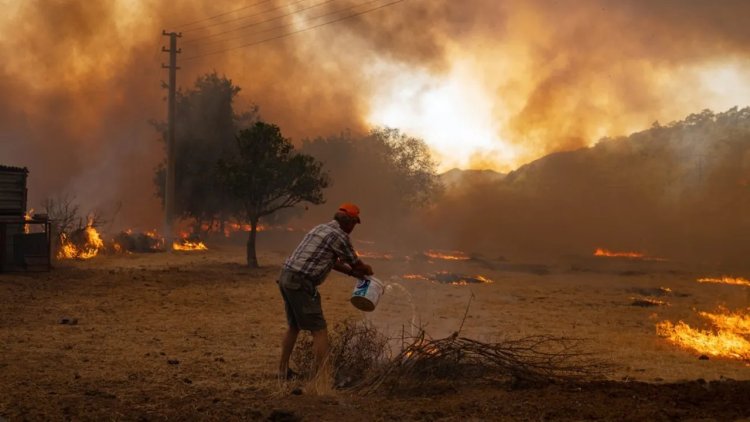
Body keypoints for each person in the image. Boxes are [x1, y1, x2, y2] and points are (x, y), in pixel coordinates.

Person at [277, 203, 374, 380]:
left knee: (294, 326)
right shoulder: (340, 236)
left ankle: (282, 372)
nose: (353, 228)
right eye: (354, 224)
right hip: (301, 282)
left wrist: (351, 273)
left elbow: (332, 262)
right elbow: (356, 263)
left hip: (286, 277)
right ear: (349, 222)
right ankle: (323, 377)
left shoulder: (321, 228)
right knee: (319, 330)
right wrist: (366, 270)